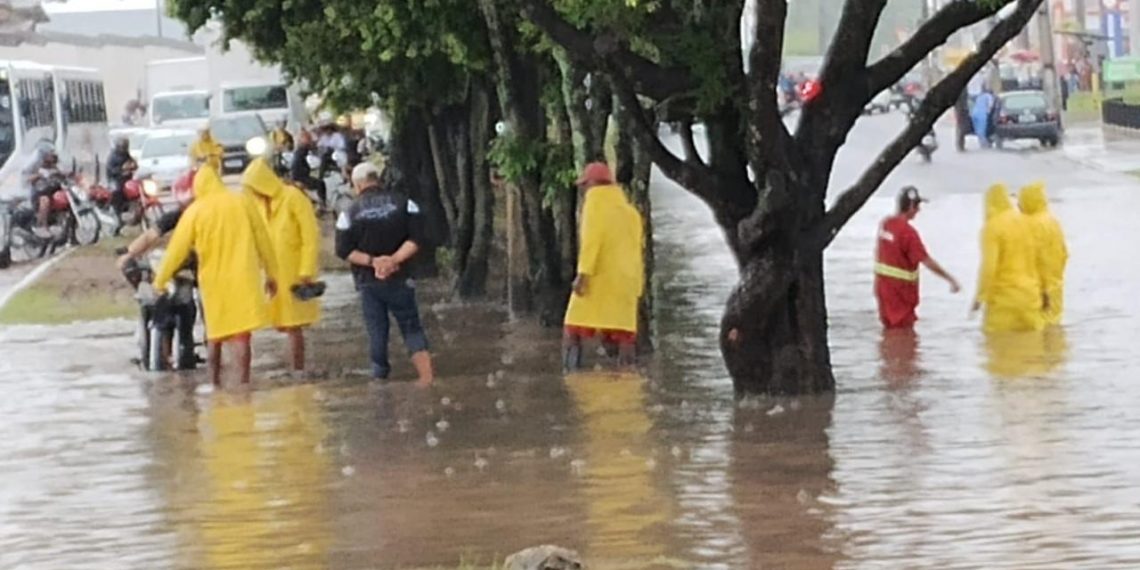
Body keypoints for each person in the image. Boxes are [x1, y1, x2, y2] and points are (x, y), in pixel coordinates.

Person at [154, 165, 280, 386]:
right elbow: (264, 240)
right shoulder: (242, 202)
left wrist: (160, 280)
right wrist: (272, 274)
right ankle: (243, 383)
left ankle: (215, 385)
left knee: (215, 335)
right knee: (242, 335)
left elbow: (176, 250)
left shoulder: (195, 212)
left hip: (213, 283)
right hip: (244, 279)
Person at [335, 162, 433, 385]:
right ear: (378, 180)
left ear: (358, 185)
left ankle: (379, 381)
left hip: (369, 282)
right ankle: (427, 379)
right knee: (411, 326)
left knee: (377, 330)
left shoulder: (349, 213)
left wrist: (374, 262)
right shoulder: (405, 204)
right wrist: (394, 260)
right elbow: (417, 238)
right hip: (401, 278)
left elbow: (343, 250)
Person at [562, 162, 645, 372]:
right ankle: (628, 379)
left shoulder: (595, 204)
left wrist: (583, 274)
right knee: (625, 335)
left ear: (593, 183)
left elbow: (592, 241)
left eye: (584, 184)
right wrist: (638, 285)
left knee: (572, 328)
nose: (583, 189)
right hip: (627, 282)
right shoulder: (631, 212)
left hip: (599, 279)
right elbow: (637, 250)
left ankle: (571, 376)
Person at [242, 157, 322, 372]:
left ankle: (298, 369)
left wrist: (306, 270)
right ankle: (293, 369)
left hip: (294, 271)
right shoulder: (259, 205)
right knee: (281, 323)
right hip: (272, 273)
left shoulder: (293, 197)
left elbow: (310, 235)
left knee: (294, 324)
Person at [118, 170, 200, 367]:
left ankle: (210, 344)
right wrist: (129, 254)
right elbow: (150, 236)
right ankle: (155, 347)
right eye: (185, 203)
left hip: (204, 268)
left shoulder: (210, 216)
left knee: (203, 307)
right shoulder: (176, 216)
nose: (187, 207)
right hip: (176, 268)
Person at [874, 187, 961, 329]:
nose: (918, 210)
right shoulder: (908, 233)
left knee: (889, 333)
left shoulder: (886, 224)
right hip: (901, 295)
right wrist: (950, 279)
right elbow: (927, 261)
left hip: (883, 291)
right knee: (904, 337)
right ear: (910, 206)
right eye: (917, 206)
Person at [972, 184, 1045, 333]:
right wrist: (1044, 291)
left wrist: (980, 297)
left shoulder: (992, 228)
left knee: (998, 349)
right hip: (1030, 298)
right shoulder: (1027, 222)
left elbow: (989, 267)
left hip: (1004, 301)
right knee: (1032, 349)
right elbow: (1040, 259)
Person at [1018, 182, 1068, 326]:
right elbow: (1064, 253)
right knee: (1054, 327)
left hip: (1038, 290)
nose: (1019, 206)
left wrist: (1043, 288)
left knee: (1036, 334)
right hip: (1056, 287)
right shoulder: (1053, 222)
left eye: (1021, 201)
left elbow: (1036, 259)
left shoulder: (1029, 225)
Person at [22, 144, 62, 237]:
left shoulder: (53, 167)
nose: (52, 156)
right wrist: (38, 175)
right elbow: (26, 179)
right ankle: (41, 226)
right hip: (38, 194)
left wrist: (66, 175)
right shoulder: (34, 167)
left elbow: (60, 174)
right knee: (45, 200)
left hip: (51, 191)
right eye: (50, 154)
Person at [290, 129, 327, 208]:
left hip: (299, 176)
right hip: (300, 177)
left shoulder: (299, 151)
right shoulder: (302, 150)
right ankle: (323, 203)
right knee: (320, 184)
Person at [106, 137, 137, 216]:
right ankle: (118, 210)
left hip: (126, 179)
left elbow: (131, 162)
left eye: (125, 146)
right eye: (123, 146)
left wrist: (133, 165)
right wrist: (121, 171)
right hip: (115, 179)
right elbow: (111, 170)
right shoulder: (113, 157)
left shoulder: (126, 154)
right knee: (118, 191)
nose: (124, 148)